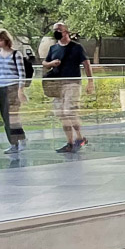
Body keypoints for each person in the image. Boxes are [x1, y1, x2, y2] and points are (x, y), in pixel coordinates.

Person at [42, 22, 91, 153]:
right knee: (61, 114)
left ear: (66, 32)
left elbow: (86, 63)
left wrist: (90, 81)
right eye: (55, 30)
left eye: (59, 29)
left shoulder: (77, 47)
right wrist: (51, 63)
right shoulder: (53, 48)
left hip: (72, 83)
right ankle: (70, 142)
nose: (56, 32)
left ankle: (80, 137)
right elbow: (45, 63)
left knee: (69, 111)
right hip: (57, 85)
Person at [0, 29, 29, 155]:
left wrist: (21, 89)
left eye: (0, 40)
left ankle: (20, 139)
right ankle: (14, 143)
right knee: (5, 117)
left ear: (6, 40)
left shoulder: (16, 54)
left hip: (13, 86)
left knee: (13, 116)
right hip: (2, 87)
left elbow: (22, 73)